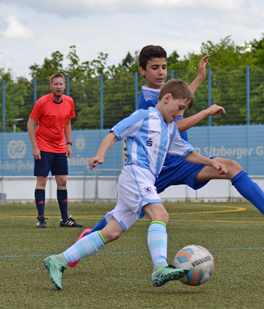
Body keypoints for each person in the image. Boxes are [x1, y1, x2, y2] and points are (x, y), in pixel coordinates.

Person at [77, 45, 264, 253]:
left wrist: (199, 78)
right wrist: (205, 112)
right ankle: (86, 240)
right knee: (122, 216)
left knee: (232, 166)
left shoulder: (165, 94)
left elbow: (182, 101)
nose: (161, 71)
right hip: (156, 169)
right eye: (155, 67)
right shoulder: (146, 101)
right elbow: (172, 127)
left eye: (164, 66)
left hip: (182, 162)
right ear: (142, 71)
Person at [43, 80, 228, 290]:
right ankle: (160, 268)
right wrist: (100, 155)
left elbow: (187, 152)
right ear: (167, 98)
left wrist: (211, 162)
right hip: (136, 173)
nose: (180, 114)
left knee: (112, 232)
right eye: (180, 108)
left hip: (145, 179)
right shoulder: (144, 116)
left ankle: (58, 260)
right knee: (161, 215)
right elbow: (114, 133)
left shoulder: (169, 128)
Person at [27, 73, 82, 228]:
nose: (59, 87)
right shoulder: (42, 102)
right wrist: (35, 147)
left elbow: (67, 123)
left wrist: (69, 143)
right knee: (42, 181)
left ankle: (65, 219)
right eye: (55, 84)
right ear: (50, 86)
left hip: (59, 148)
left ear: (65, 85)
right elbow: (30, 125)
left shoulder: (69, 101)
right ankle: (41, 218)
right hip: (43, 147)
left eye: (61, 84)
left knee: (62, 181)